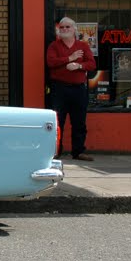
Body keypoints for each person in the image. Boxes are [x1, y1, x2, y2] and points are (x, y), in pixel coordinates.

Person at [47, 17, 96, 161]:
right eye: (62, 27)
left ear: (74, 29)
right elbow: (50, 62)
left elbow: (92, 64)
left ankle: (78, 151)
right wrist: (70, 58)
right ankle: (56, 151)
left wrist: (79, 66)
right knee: (57, 121)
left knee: (79, 121)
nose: (65, 29)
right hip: (59, 89)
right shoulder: (54, 46)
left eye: (68, 27)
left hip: (78, 89)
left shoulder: (83, 46)